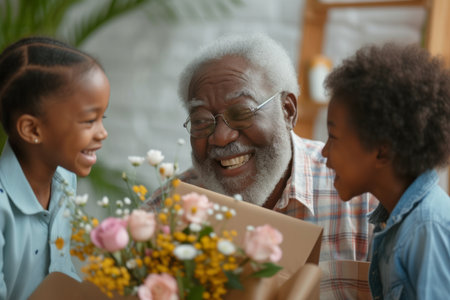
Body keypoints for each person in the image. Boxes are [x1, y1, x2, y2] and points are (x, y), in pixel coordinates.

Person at [172, 33, 378, 299]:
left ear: (288, 111)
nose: (221, 137)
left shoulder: (364, 202)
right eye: (201, 120)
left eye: (241, 113)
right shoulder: (172, 209)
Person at [322, 43, 450, 299]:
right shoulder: (392, 222)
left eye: (333, 137)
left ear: (382, 152)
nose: (324, 151)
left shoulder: (427, 228)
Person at [0, 36, 110, 300]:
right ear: (32, 129)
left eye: (102, 118)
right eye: (88, 121)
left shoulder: (64, 177)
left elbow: (59, 268)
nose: (103, 133)